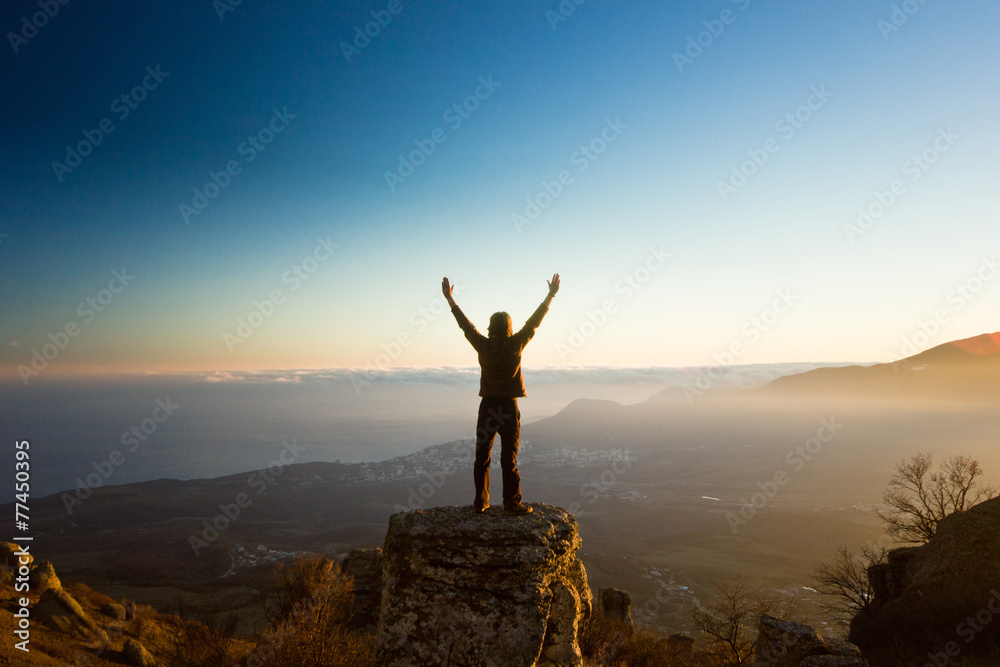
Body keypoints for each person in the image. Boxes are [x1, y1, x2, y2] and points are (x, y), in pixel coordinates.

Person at [442, 274, 560, 516]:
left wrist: (450, 300)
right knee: (509, 458)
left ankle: (481, 503)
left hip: (487, 408)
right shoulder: (515, 344)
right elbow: (533, 323)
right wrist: (551, 295)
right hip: (508, 408)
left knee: (482, 457)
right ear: (509, 327)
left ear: (490, 327)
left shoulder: (483, 346)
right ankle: (511, 503)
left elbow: (466, 326)